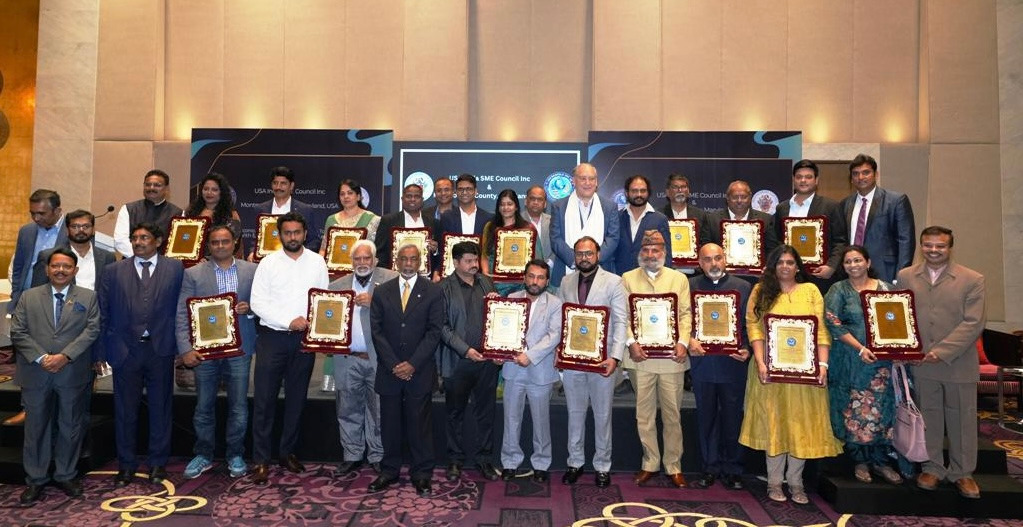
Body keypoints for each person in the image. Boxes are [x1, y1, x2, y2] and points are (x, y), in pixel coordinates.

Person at [738, 245, 842, 504]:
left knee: (800, 424)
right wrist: (760, 362)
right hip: (769, 370)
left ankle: (796, 482)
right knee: (774, 422)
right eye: (780, 262)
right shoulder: (761, 291)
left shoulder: (811, 291)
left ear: (797, 267)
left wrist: (823, 365)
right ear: (773, 266)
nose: (785, 266)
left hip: (805, 373)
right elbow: (754, 328)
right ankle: (774, 482)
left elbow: (821, 331)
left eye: (790, 262)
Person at [898, 226, 985, 499]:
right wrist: (905, 348)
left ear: (950, 247)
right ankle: (932, 467)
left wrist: (942, 351)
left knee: (962, 419)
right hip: (922, 363)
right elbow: (899, 314)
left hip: (958, 362)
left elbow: (974, 323)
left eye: (940, 246)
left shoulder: (972, 279)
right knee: (929, 417)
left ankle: (962, 472)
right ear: (921, 246)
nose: (933, 250)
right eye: (928, 245)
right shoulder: (906, 276)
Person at [10, 248, 100, 504]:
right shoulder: (28, 296)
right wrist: (42, 357)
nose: (61, 270)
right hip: (35, 372)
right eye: (56, 266)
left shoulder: (88, 297)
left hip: (71, 372)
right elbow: (18, 331)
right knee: (35, 427)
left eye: (67, 266)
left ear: (75, 270)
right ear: (47, 269)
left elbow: (92, 329)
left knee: (70, 425)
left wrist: (65, 356)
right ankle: (35, 479)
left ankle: (66, 474)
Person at [98, 222, 184, 486]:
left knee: (161, 409)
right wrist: (100, 352)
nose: (138, 242)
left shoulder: (175, 268)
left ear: (158, 240)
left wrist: (183, 347)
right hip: (125, 351)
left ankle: (158, 464)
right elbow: (102, 312)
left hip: (161, 349)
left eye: (144, 237)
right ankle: (126, 465)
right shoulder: (113, 271)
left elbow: (182, 309)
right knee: (125, 411)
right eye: (134, 238)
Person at [248, 212, 329, 484]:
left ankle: (287, 452)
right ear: (280, 235)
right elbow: (258, 303)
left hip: (304, 340)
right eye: (287, 232)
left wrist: (313, 327)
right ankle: (261, 459)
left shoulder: (317, 262)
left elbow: (323, 299)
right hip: (272, 338)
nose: (292, 237)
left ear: (305, 234)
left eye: (297, 232)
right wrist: (288, 321)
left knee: (296, 399)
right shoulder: (268, 263)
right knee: (264, 401)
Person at [175, 225, 258, 479]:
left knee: (238, 407)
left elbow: (265, 303)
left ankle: (235, 454)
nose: (220, 246)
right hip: (204, 352)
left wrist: (251, 309)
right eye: (215, 242)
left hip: (239, 349)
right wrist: (185, 349)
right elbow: (182, 313)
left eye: (225, 241)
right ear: (208, 245)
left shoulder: (252, 271)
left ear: (235, 243)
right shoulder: (193, 273)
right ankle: (203, 454)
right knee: (203, 406)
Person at [368, 244, 446, 496]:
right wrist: (394, 364)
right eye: (404, 259)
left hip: (419, 370)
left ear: (420, 261)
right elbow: (377, 332)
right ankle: (389, 470)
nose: (409, 263)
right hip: (389, 370)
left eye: (413, 259)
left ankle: (422, 473)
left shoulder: (433, 291)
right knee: (389, 424)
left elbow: (434, 332)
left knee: (419, 425)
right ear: (397, 261)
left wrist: (412, 363)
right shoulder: (382, 291)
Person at [823, 245, 904, 485]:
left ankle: (881, 461)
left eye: (857, 260)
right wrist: (860, 348)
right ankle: (859, 461)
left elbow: (899, 321)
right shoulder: (838, 290)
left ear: (868, 263)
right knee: (855, 410)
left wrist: (900, 349)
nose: (853, 265)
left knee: (883, 409)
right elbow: (832, 322)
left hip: (882, 363)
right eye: (848, 262)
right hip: (850, 361)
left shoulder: (887, 289)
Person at [621, 230, 690, 488]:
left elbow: (686, 314)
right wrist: (631, 342)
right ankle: (650, 463)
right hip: (640, 358)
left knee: (672, 415)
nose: (651, 254)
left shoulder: (679, 279)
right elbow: (622, 315)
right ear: (640, 252)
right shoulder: (627, 278)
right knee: (645, 415)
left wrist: (683, 342)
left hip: (672, 358)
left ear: (664, 252)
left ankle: (674, 466)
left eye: (656, 250)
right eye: (646, 249)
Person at [557, 236, 627, 487]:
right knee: (575, 414)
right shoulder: (566, 281)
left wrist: (615, 357)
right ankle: (575, 462)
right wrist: (559, 350)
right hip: (573, 360)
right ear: (574, 256)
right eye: (579, 253)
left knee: (602, 415)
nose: (584, 258)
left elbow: (621, 321)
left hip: (602, 360)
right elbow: (562, 319)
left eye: (588, 253)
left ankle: (602, 466)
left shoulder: (614, 282)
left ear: (598, 255)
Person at [329, 240, 397, 475]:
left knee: (378, 410)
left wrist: (376, 302)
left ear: (375, 260)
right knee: (347, 409)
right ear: (351, 262)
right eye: (357, 258)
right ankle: (352, 455)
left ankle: (377, 455)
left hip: (378, 359)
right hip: (347, 359)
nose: (362, 262)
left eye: (366, 258)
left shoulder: (391, 280)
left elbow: (403, 315)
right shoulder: (336, 286)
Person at [687, 243, 752, 490]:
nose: (713, 263)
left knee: (733, 417)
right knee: (706, 418)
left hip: (732, 363)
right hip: (703, 362)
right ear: (699, 263)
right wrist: (689, 339)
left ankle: (733, 469)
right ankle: (710, 467)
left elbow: (750, 323)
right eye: (707, 259)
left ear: (725, 259)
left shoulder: (743, 287)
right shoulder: (690, 286)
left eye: (717, 258)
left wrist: (746, 347)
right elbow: (683, 320)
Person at [437, 241, 501, 481]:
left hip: (486, 361)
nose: (474, 264)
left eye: (476, 260)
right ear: (455, 262)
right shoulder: (444, 288)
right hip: (458, 361)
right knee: (455, 413)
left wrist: (498, 304)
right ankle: (455, 460)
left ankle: (484, 459)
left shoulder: (486, 283)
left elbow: (500, 318)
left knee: (486, 413)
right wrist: (465, 350)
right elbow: (441, 327)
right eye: (468, 261)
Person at [499, 259, 562, 482]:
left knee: (541, 421)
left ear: (547, 281)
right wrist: (499, 352)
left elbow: (554, 335)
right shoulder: (511, 299)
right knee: (511, 419)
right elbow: (502, 331)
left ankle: (541, 463)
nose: (535, 281)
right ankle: (510, 461)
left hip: (540, 370)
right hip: (513, 369)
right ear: (524, 278)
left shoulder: (555, 303)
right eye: (531, 276)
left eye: (540, 277)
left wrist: (530, 355)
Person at [774, 159, 847, 292]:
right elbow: (777, 241)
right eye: (799, 177)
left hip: (819, 274)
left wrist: (831, 267)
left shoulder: (831, 206)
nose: (803, 180)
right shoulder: (782, 208)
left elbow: (840, 241)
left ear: (816, 180)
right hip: (788, 275)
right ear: (793, 179)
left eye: (808, 177)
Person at [840, 154, 915, 283]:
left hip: (886, 272)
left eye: (866, 172)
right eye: (855, 174)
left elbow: (906, 242)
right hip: (851, 274)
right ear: (851, 179)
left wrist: (901, 277)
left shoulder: (896, 201)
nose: (860, 177)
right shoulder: (845, 204)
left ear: (876, 175)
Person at [550, 163, 620, 287]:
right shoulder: (559, 206)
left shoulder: (610, 207)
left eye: (591, 179)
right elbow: (556, 239)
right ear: (574, 181)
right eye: (583, 178)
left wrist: (592, 260)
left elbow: (613, 238)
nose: (587, 183)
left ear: (596, 182)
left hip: (601, 270)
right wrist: (576, 260)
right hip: (567, 270)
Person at [10, 189, 67, 313]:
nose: (36, 218)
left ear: (57, 211)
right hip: (25, 300)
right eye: (32, 213)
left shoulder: (71, 231)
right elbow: (18, 267)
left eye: (41, 213)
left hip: (57, 302)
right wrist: (16, 293)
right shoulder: (26, 231)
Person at [32, 210, 117, 292]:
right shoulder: (48, 256)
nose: (81, 230)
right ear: (67, 230)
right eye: (75, 227)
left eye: (86, 226)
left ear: (93, 230)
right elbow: (37, 292)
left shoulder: (107, 257)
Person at [113, 170, 184, 257]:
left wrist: (158, 260)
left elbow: (180, 244)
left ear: (166, 189)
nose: (151, 188)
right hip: (132, 261)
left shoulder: (178, 214)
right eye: (148, 184)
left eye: (157, 185)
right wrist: (142, 256)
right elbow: (120, 240)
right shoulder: (128, 209)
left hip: (164, 263)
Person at [706, 180, 779, 260]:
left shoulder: (765, 220)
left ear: (750, 198)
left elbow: (772, 250)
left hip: (756, 267)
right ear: (727, 198)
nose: (739, 201)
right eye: (735, 197)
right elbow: (706, 249)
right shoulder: (712, 220)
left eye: (744, 197)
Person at [481, 189, 535, 295]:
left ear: (516, 207)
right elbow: (484, 255)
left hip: (520, 284)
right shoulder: (490, 227)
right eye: (502, 204)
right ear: (498, 207)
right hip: (494, 283)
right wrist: (486, 274)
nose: (505, 208)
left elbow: (536, 258)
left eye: (509, 204)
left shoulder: (527, 228)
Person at [254, 166, 321, 252]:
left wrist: (299, 253)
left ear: (291, 186)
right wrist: (253, 252)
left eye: (283, 183)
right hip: (268, 259)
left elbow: (313, 241)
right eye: (275, 183)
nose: (278, 187)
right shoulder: (260, 210)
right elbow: (255, 240)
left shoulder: (305, 210)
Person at [375, 183, 439, 271]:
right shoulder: (388, 221)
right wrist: (387, 273)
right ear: (402, 199)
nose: (412, 199)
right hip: (395, 274)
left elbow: (439, 255)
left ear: (422, 200)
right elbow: (379, 253)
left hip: (425, 275)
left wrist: (435, 250)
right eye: (409, 196)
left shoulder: (433, 222)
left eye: (417, 196)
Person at [615, 175, 671, 274]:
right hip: (619, 276)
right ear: (627, 193)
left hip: (648, 277)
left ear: (648, 193)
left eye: (643, 191)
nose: (639, 194)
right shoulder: (616, 218)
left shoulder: (660, 219)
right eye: (634, 191)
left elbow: (666, 254)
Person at [183, 172, 244, 257]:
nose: (209, 193)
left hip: (221, 258)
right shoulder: (191, 212)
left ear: (221, 192)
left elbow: (234, 244)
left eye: (214, 190)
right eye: (206, 189)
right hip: (193, 259)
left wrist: (208, 259)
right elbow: (185, 238)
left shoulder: (231, 215)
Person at [319, 179, 381, 253]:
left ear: (358, 197)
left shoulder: (373, 219)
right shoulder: (331, 220)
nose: (346, 196)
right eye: (342, 194)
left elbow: (378, 251)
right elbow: (323, 250)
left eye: (350, 193)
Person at [660, 173, 714, 248]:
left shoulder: (700, 215)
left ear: (688, 192)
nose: (680, 190)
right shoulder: (659, 215)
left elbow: (705, 243)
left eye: (683, 187)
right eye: (675, 187)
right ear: (667, 192)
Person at [522, 185, 553, 267]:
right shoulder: (517, 221)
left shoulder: (553, 221)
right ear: (526, 201)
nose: (536, 202)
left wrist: (549, 263)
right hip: (524, 270)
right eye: (532, 198)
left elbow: (558, 246)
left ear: (545, 204)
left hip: (550, 269)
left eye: (540, 199)